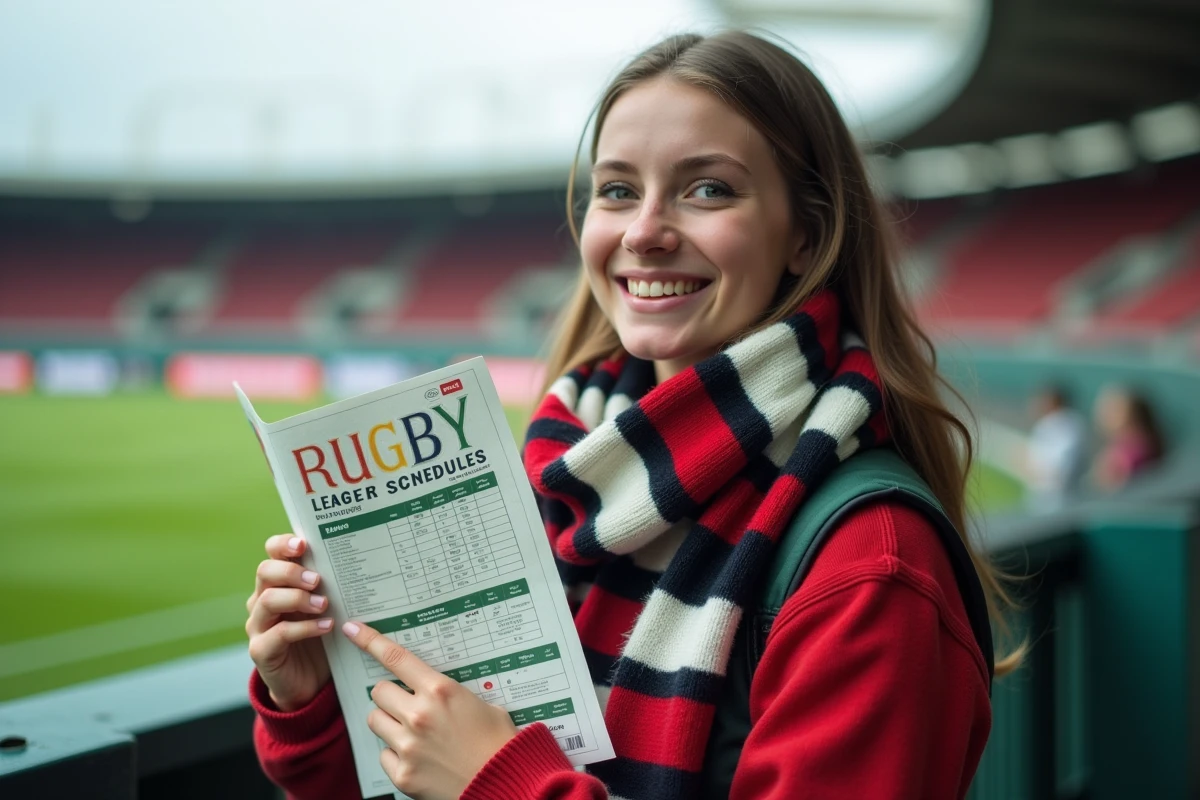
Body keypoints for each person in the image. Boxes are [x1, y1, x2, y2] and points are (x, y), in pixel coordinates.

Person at [245, 31, 1020, 800]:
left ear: (806, 236)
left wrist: (503, 786)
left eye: (708, 188)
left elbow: (480, 778)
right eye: (618, 190)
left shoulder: (872, 564)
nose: (644, 231)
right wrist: (315, 698)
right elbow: (416, 779)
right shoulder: (564, 472)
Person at [1025, 386, 1088, 510]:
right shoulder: (1072, 424)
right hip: (1048, 495)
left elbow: (1060, 469)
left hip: (1059, 497)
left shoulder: (1064, 425)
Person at [1091, 385, 1164, 490]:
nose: (1104, 415)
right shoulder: (1118, 445)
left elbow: (1112, 484)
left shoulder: (1135, 452)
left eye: (1113, 410)